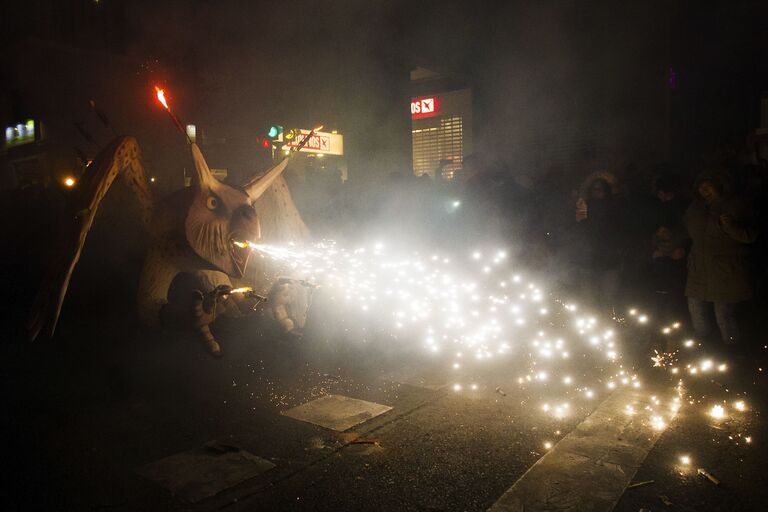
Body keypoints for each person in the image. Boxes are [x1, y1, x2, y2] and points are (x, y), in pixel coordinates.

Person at [684, 170, 759, 346]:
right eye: (701, 187)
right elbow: (686, 231)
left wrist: (731, 227)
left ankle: (732, 349)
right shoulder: (695, 208)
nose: (704, 190)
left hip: (725, 270)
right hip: (699, 269)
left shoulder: (736, 205)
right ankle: (703, 346)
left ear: (718, 185)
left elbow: (750, 235)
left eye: (707, 185)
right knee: (695, 309)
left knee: (723, 314)